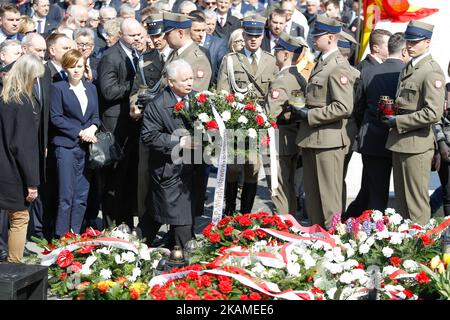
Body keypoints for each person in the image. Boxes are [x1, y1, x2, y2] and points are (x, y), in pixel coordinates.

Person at [295, 16, 357, 229]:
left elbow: (343, 107)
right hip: (313, 138)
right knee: (312, 198)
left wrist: (309, 115)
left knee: (329, 200)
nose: (313, 38)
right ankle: (316, 239)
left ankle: (334, 244)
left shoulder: (338, 66)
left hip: (329, 141)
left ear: (330, 38)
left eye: (317, 35)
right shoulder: (322, 61)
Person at [383, 21, 445, 225]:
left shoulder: (431, 70)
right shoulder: (411, 66)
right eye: (408, 41)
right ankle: (406, 248)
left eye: (415, 41)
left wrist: (398, 120)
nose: (409, 45)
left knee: (416, 205)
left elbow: (433, 113)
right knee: (402, 204)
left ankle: (421, 249)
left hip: (417, 144)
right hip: (402, 141)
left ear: (427, 42)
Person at [217, 14, 278, 215]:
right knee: (233, 168)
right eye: (249, 35)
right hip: (237, 122)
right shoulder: (231, 60)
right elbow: (223, 93)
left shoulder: (271, 61)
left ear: (262, 36)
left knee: (253, 169)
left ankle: (245, 215)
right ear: (243, 35)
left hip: (259, 123)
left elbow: (273, 95)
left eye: (257, 35)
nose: (253, 39)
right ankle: (228, 212)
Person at [344, 32, 409, 219]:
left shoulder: (367, 71)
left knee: (374, 191)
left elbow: (357, 106)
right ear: (404, 50)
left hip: (372, 138)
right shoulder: (406, 72)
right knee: (403, 193)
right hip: (400, 138)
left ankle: (368, 232)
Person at [140, 59, 196, 249]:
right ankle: (186, 259)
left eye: (191, 78)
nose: (190, 83)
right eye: (185, 80)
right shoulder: (157, 104)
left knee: (158, 214)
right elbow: (149, 136)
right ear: (171, 82)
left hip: (191, 168)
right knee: (179, 218)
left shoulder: (196, 98)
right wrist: (179, 142)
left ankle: (138, 245)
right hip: (168, 170)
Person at [97, 18, 142, 230]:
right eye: (132, 36)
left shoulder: (136, 55)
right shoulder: (110, 57)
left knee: (129, 178)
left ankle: (126, 224)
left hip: (132, 126)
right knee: (114, 180)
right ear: (122, 35)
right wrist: (135, 86)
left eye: (139, 35)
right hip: (115, 126)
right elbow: (108, 91)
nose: (137, 39)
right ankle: (111, 225)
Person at [50, 49, 100, 237]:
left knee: (81, 196)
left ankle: (76, 235)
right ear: (65, 68)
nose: (76, 70)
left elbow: (96, 116)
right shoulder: (58, 88)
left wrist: (92, 129)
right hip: (66, 147)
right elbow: (56, 117)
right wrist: (79, 132)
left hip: (86, 148)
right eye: (72, 67)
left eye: (79, 66)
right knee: (66, 196)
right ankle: (62, 238)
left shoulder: (91, 88)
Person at [0, 54, 44, 262]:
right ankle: (13, 266)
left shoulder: (3, 98)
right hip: (13, 172)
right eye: (35, 78)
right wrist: (32, 183)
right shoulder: (23, 102)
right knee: (19, 218)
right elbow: (23, 147)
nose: (37, 82)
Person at [265, 32, 307, 216]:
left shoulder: (282, 80)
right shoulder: (299, 77)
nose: (275, 54)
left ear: (284, 54)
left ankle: (282, 226)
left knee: (278, 187)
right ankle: (290, 223)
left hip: (278, 139)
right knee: (288, 185)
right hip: (292, 137)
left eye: (277, 51)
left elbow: (270, 114)